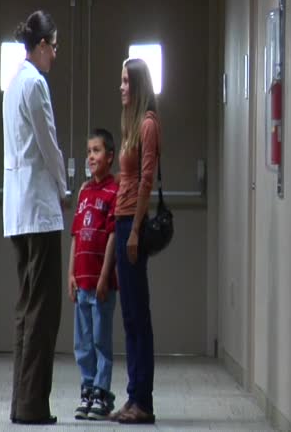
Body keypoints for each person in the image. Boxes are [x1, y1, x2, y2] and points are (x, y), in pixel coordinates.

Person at [2, 10, 66, 426]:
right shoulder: (35, 84)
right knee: (44, 312)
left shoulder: (12, 85)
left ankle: (21, 404)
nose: (55, 55)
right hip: (40, 213)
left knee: (27, 309)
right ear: (40, 46)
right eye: (54, 47)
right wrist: (64, 186)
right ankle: (33, 407)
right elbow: (48, 143)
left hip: (17, 211)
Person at [110, 58, 161, 425]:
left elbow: (146, 181)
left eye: (127, 82)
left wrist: (136, 231)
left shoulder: (148, 125)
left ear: (139, 84)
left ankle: (143, 400)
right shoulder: (131, 124)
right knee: (128, 316)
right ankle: (132, 396)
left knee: (138, 316)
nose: (122, 87)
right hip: (122, 220)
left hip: (133, 225)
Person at [68, 128, 119, 421]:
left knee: (101, 339)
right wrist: (70, 274)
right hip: (82, 280)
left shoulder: (113, 191)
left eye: (97, 151)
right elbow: (76, 235)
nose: (91, 157)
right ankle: (87, 389)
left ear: (109, 157)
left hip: (101, 283)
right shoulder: (84, 191)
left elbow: (112, 236)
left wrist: (103, 276)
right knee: (82, 342)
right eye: (88, 151)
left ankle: (102, 392)